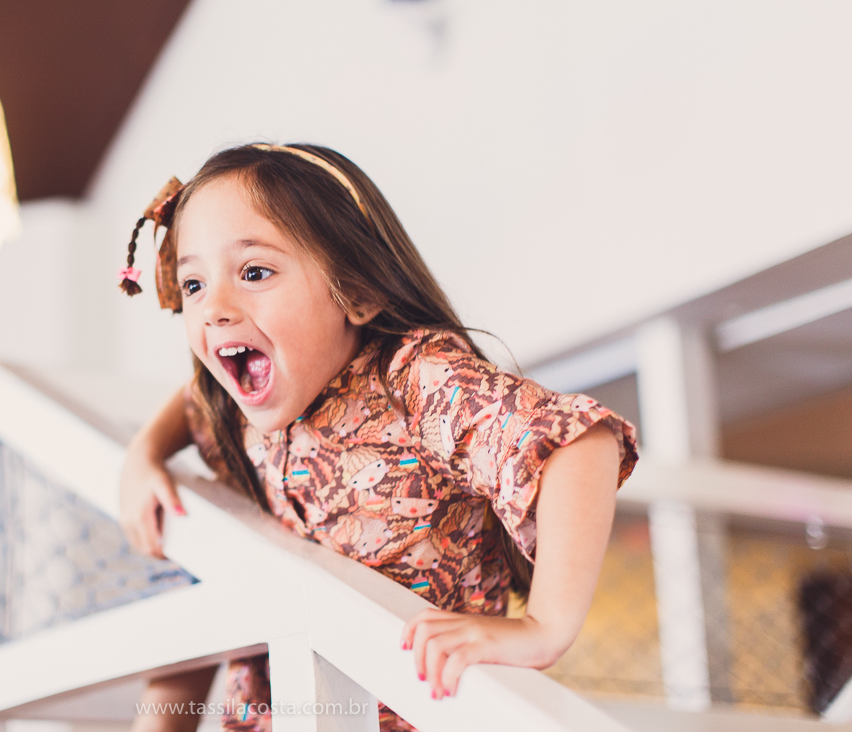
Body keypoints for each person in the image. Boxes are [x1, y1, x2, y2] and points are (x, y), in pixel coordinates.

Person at [118, 144, 638, 732]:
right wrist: (144, 453)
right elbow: (193, 403)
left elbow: (579, 443)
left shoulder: (414, 380)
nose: (213, 308)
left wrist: (546, 628)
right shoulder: (235, 412)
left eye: (254, 272)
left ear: (356, 292)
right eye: (193, 285)